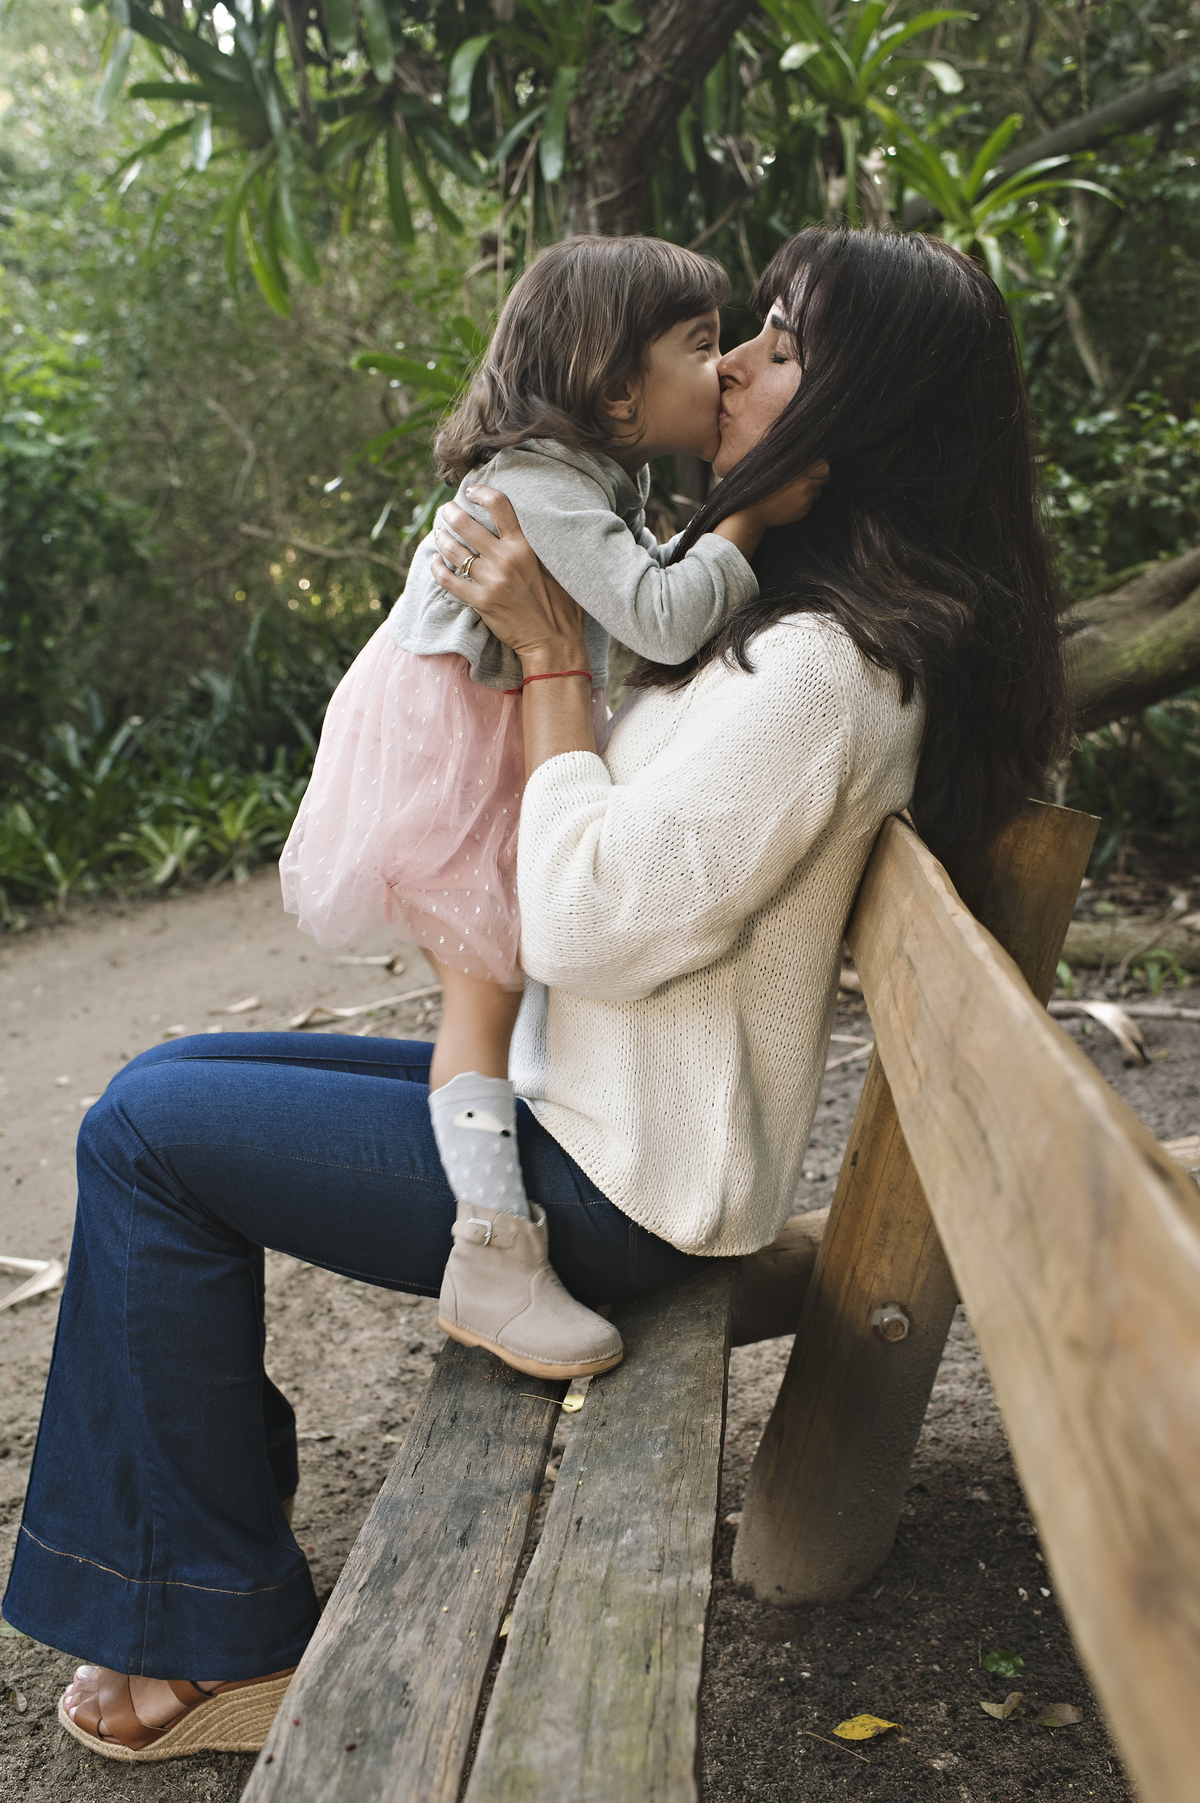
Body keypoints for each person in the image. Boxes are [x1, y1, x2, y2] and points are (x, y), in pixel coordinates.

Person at [5, 227, 1068, 1762]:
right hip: (580, 1113)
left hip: (617, 1184)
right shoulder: (783, 628)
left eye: (779, 346)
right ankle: (192, 1590)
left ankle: (211, 1633)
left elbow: (580, 920)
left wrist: (552, 659)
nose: (736, 363)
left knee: (154, 1133)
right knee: (155, 1094)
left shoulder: (832, 672)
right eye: (737, 337)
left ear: (866, 413)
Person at [279, 235, 810, 1382]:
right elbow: (663, 619)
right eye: (703, 346)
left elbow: (638, 593)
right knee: (481, 994)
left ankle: (506, 1207)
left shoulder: (580, 480)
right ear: (617, 392)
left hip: (481, 730)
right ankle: (492, 1258)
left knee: (499, 983)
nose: (720, 371)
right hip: (460, 752)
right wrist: (750, 521)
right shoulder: (535, 485)